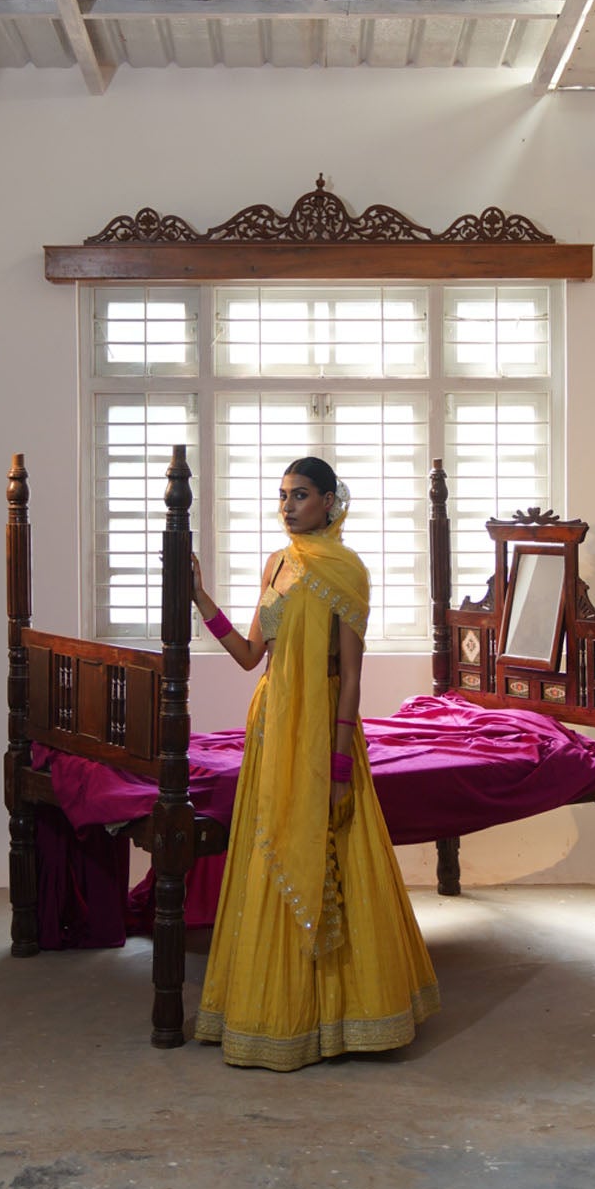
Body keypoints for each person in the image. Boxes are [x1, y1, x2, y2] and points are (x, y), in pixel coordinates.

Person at [191, 456, 440, 1070]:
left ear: (330, 501)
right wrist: (197, 595)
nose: (287, 506)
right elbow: (251, 656)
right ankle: (274, 1012)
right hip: (274, 724)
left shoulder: (346, 569)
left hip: (322, 725)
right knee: (271, 847)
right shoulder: (278, 564)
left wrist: (336, 760)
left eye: (299, 495)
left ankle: (347, 1017)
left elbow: (352, 676)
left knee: (334, 849)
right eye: (282, 496)